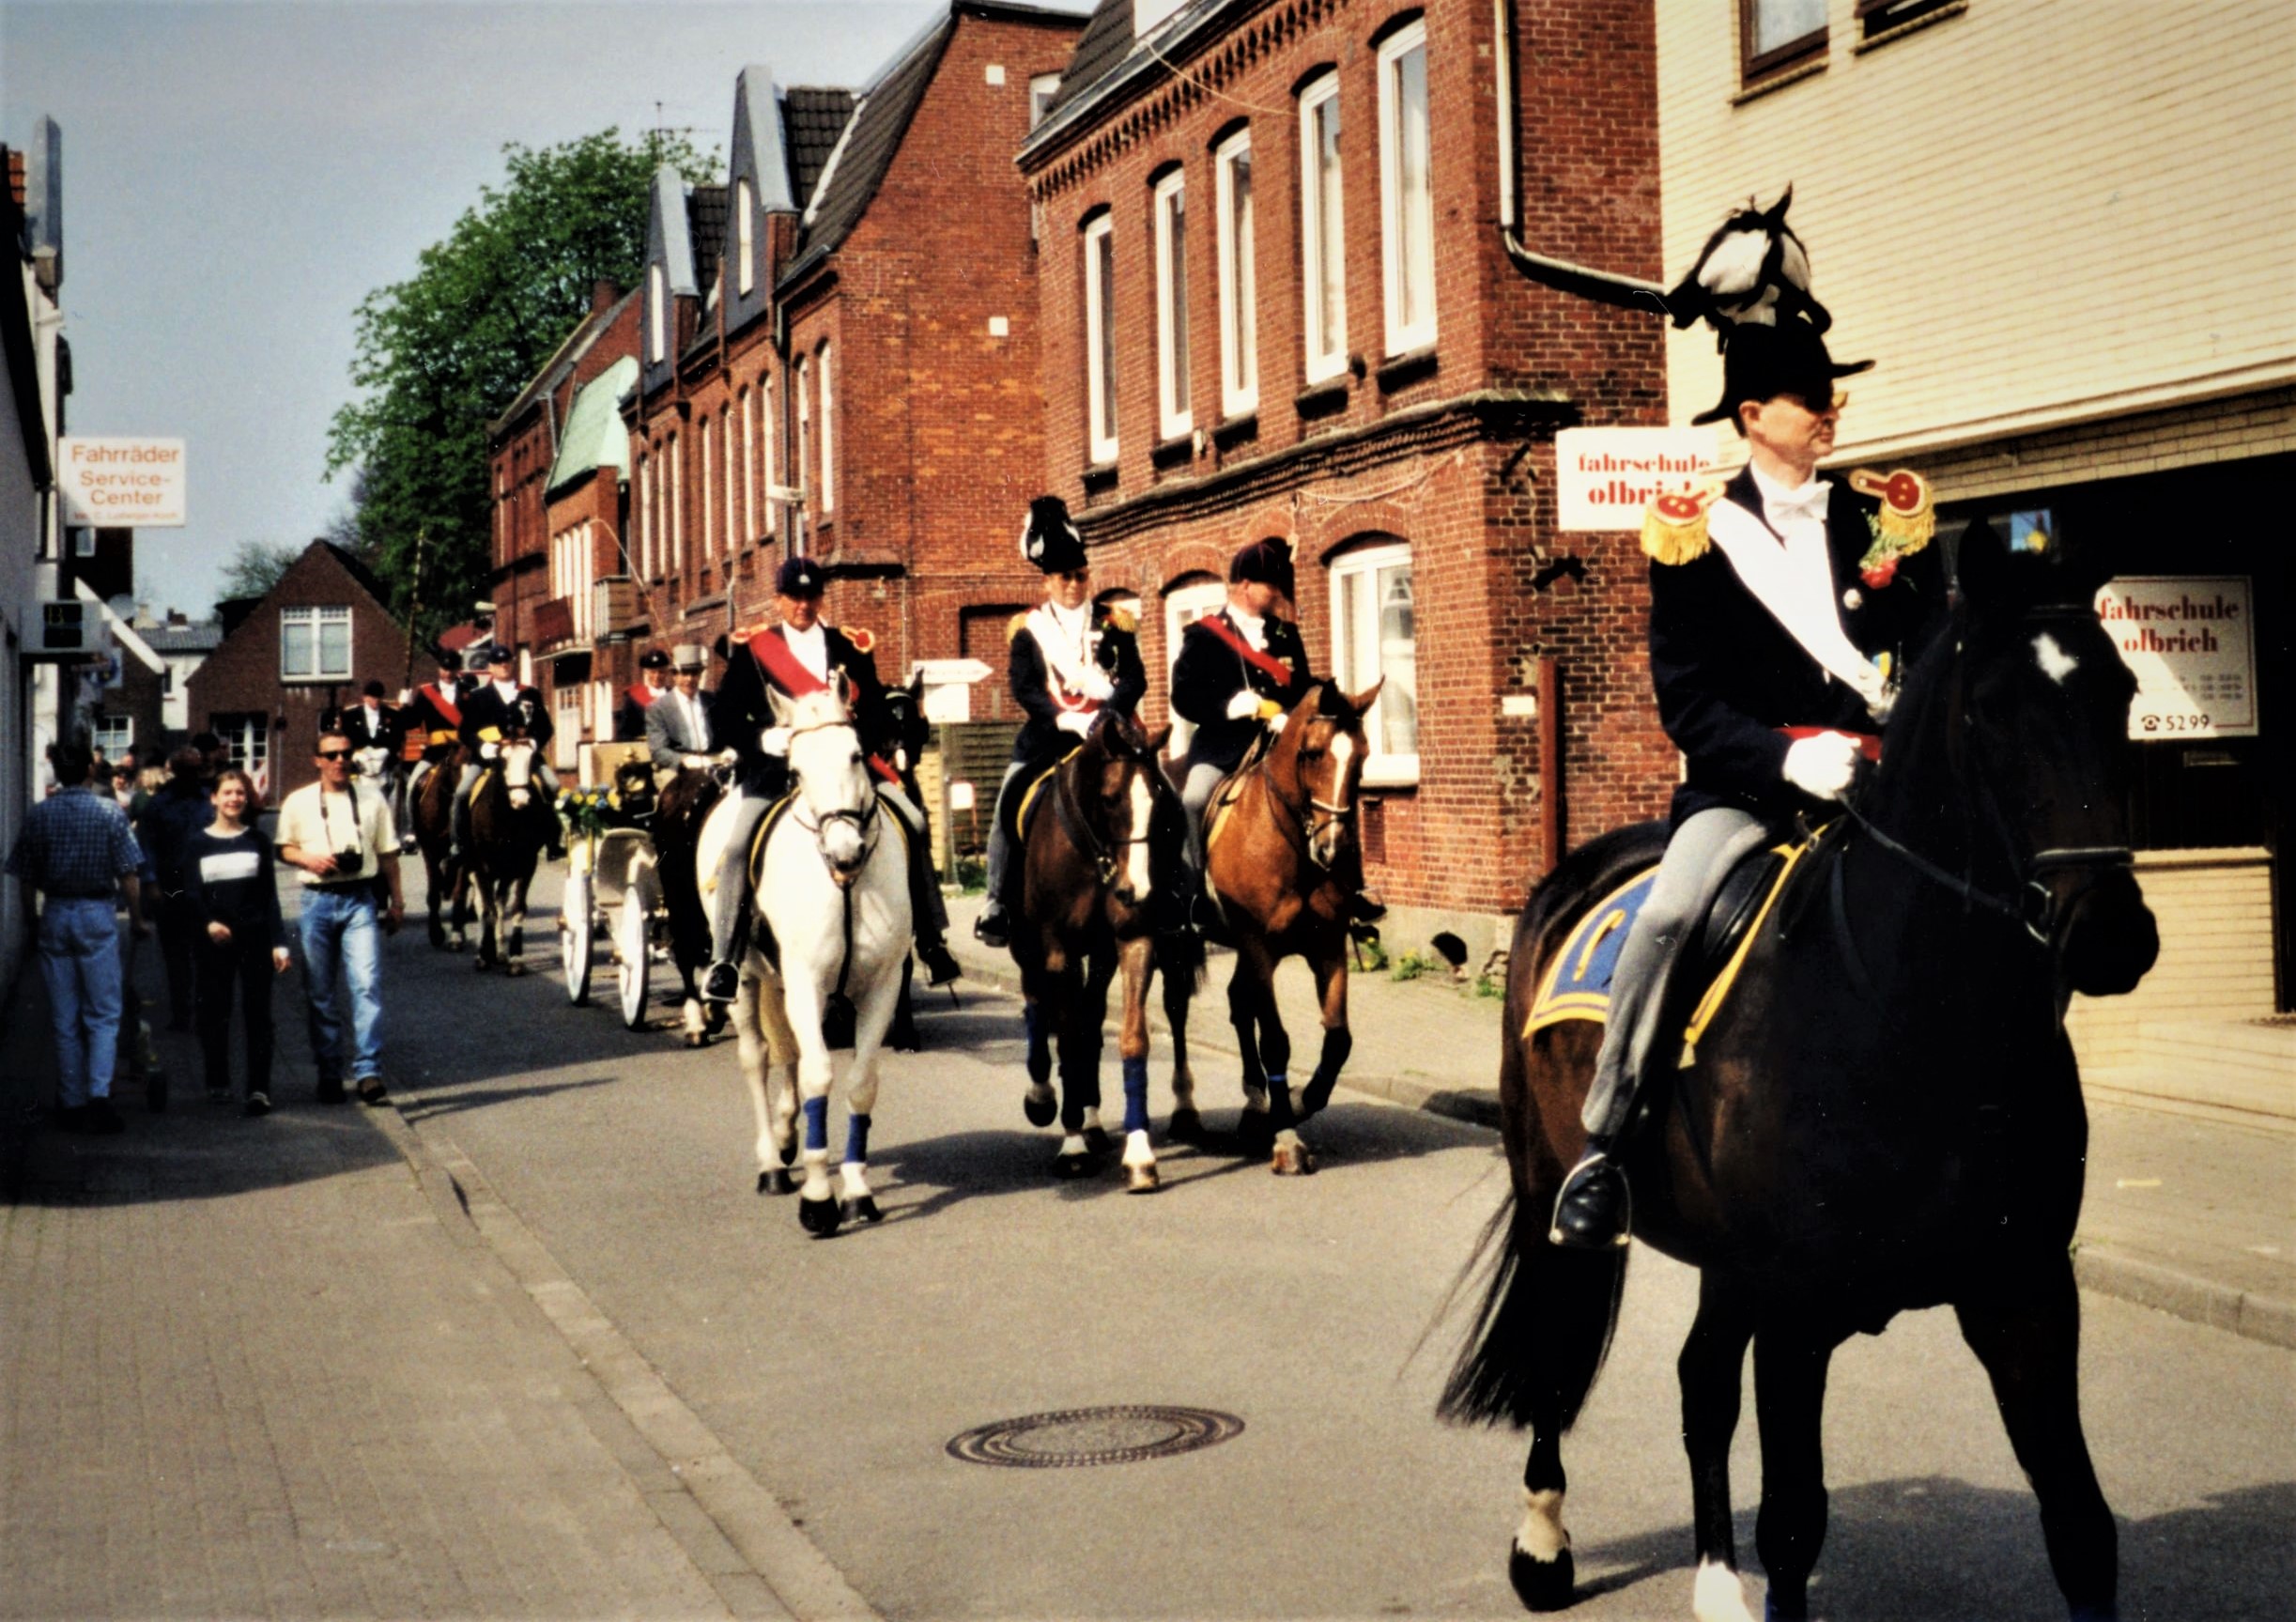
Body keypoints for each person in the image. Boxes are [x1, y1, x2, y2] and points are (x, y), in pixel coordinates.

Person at [1548, 315, 1946, 1250]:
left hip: (1873, 784)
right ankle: (1604, 1144)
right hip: (1749, 791)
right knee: (1667, 916)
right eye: (1813, 401)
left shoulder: (1880, 518)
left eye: (1834, 399)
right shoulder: (1695, 534)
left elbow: (1927, 649)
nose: (1830, 416)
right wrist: (1783, 755)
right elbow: (1687, 704)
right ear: (1754, 414)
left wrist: (1894, 728)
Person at [702, 555, 961, 999]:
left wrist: (850, 740)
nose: (803, 605)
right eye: (794, 597)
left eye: (811, 596)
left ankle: (932, 940)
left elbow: (877, 711)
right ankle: (726, 956)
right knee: (741, 840)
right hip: (776, 770)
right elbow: (722, 718)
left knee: (912, 823)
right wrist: (762, 739)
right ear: (779, 599)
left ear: (821, 598)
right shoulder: (754, 649)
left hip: (844, 768)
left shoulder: (849, 647)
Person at [1166, 537, 1384, 937]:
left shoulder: (1284, 635)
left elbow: (1300, 686)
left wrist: (1329, 700)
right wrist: (1231, 707)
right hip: (1223, 745)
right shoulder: (1204, 635)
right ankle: (1193, 893)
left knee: (1332, 796)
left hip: (1280, 743)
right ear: (1244, 585)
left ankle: (1352, 891)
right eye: (1271, 587)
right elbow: (1183, 696)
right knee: (1194, 798)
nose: (1277, 596)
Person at [973, 496, 1147, 950]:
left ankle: (1177, 893)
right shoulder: (1027, 629)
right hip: (1049, 739)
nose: (1074, 584)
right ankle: (995, 902)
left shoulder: (1115, 622)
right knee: (1007, 803)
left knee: (1155, 795)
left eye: (1081, 575)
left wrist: (1107, 714)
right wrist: (1065, 717)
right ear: (1048, 581)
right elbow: (1024, 687)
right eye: (1064, 577)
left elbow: (1136, 678)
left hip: (1109, 739)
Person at [5, 738, 148, 1134]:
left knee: (64, 1015)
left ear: (56, 771)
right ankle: (99, 1097)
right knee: (102, 1012)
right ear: (89, 770)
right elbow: (128, 873)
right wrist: (136, 918)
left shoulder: (40, 815)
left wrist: (33, 923)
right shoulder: (109, 813)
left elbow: (25, 877)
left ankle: (71, 1100)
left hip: (56, 911)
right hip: (96, 912)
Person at [276, 725, 406, 1105]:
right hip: (316, 901)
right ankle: (329, 1072)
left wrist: (397, 902)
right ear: (317, 760)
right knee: (319, 992)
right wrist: (308, 858)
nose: (340, 761)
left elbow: (388, 854)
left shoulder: (371, 797)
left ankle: (368, 1071)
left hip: (360, 900)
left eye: (346, 754)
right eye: (331, 755)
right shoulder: (299, 801)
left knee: (366, 985)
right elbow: (283, 847)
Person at [183, 767, 291, 1115]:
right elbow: (182, 890)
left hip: (255, 938)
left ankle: (259, 1089)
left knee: (258, 1015)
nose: (234, 799)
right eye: (227, 792)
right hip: (213, 942)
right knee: (214, 1013)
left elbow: (269, 896)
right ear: (213, 798)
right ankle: (218, 1081)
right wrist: (207, 922)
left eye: (240, 793)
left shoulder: (257, 840)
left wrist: (280, 941)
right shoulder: (195, 842)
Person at [452, 642, 562, 861]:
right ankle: (460, 844)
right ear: (490, 667)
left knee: (553, 785)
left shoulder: (529, 694)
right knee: (462, 792)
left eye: (506, 662)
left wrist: (533, 743)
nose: (503, 666)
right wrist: (482, 746)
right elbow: (465, 731)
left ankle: (553, 841)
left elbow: (546, 727)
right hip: (488, 757)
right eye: (498, 663)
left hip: (524, 756)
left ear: (512, 664)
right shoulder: (479, 696)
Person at [137, 747, 214, 1031]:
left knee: (206, 949)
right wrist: (152, 883)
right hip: (173, 886)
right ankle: (182, 1012)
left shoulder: (209, 800)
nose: (191, 776)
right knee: (176, 952)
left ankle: (205, 1010)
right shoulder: (159, 805)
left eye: (195, 770)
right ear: (175, 772)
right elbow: (147, 846)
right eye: (185, 771)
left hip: (207, 885)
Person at [399, 644, 470, 850]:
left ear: (458, 670)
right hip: (435, 752)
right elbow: (410, 723)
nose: (447, 673)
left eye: (452, 669)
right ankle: (413, 830)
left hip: (462, 753)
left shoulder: (467, 693)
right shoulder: (426, 693)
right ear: (439, 669)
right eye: (444, 669)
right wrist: (406, 706)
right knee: (413, 784)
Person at [645, 643, 717, 777]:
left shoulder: (712, 701)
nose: (689, 679)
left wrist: (730, 750)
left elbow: (727, 733)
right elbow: (658, 750)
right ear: (674, 675)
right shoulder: (658, 708)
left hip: (712, 761)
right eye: (684, 673)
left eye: (694, 673)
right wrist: (684, 760)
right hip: (677, 769)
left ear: (701, 674)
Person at [615, 647, 672, 741]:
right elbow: (624, 732)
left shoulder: (674, 695)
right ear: (646, 672)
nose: (657, 676)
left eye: (661, 672)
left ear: (666, 672)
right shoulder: (633, 698)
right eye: (653, 672)